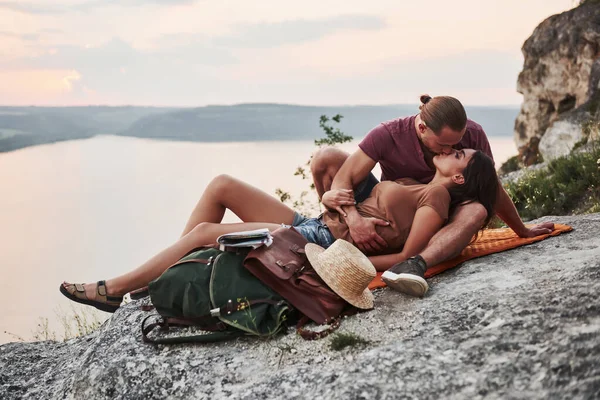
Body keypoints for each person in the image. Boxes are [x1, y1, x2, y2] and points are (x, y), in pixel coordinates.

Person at [60, 147, 496, 312]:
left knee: (204, 232)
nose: (452, 150)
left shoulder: (436, 199)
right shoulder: (422, 182)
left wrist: (335, 262)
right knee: (222, 186)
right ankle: (171, 274)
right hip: (316, 222)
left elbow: (407, 259)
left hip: (315, 243)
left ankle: (115, 289)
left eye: (460, 154)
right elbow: (343, 172)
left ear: (459, 178)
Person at [310, 94, 555, 297]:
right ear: (422, 127)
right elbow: (343, 177)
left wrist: (521, 230)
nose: (450, 150)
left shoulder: (472, 135)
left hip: (444, 213)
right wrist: (353, 217)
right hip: (398, 210)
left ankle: (414, 263)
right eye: (443, 145)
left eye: (456, 146)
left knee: (478, 209)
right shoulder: (388, 133)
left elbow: (492, 188)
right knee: (325, 159)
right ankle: (335, 233)